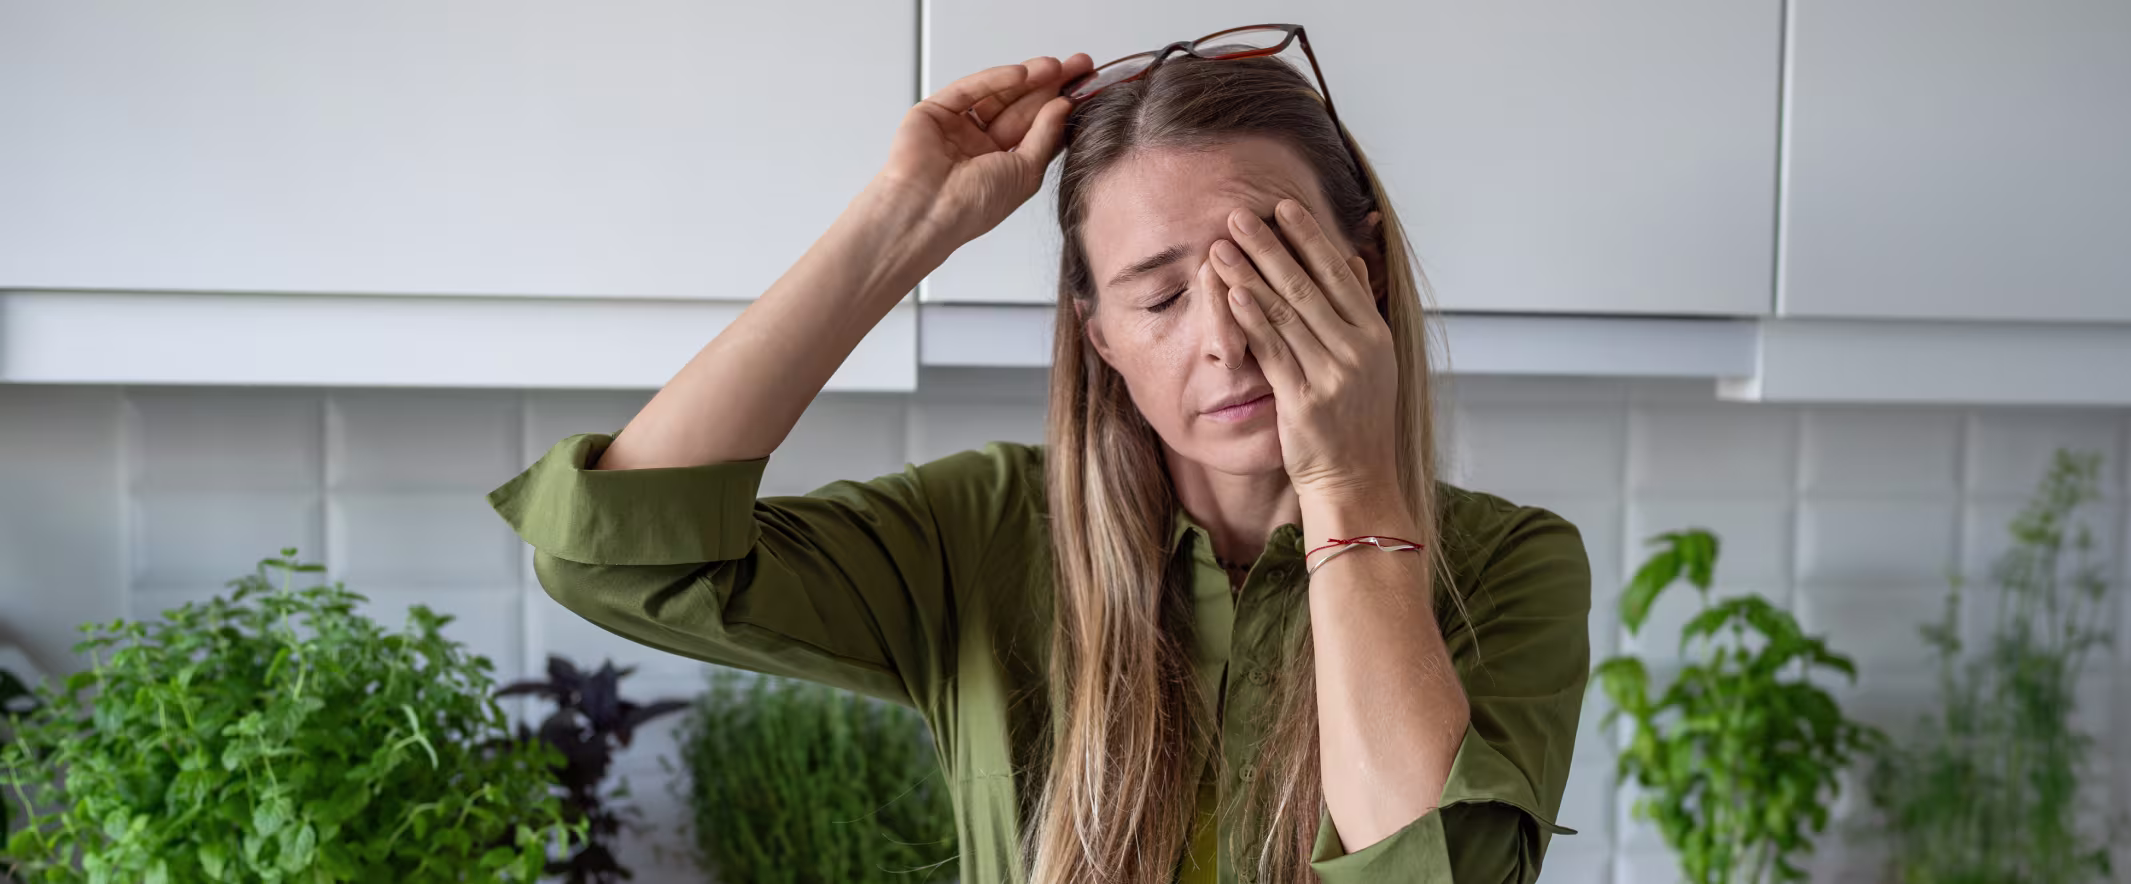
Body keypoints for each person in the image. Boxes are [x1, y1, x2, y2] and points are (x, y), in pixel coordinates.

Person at [489, 31, 1588, 884]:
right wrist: (899, 223)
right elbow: (616, 556)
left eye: (1273, 271)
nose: (1223, 335)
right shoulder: (986, 529)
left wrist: (1347, 487)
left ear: (1365, 276)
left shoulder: (1508, 566)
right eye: (1159, 295)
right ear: (1100, 337)